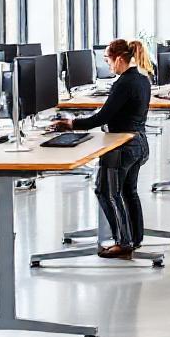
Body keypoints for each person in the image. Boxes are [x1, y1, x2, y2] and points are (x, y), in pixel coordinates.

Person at [52, 39, 152, 259]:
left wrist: (71, 124)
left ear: (118, 58)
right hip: (139, 143)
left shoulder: (123, 83)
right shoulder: (142, 79)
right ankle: (136, 238)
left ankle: (123, 243)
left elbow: (102, 117)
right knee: (129, 192)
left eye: (108, 59)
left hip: (121, 147)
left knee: (106, 191)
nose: (107, 64)